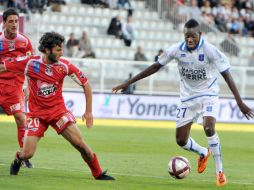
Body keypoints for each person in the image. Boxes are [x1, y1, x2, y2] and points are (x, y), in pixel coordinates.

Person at [112, 19, 254, 186]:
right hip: (187, 99)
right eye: (187, 36)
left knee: (209, 128)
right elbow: (155, 66)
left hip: (209, 94)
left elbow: (226, 74)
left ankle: (220, 172)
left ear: (200, 34)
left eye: (193, 36)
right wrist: (128, 82)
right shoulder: (176, 50)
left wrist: (239, 101)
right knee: (181, 140)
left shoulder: (210, 50)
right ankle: (203, 152)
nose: (189, 39)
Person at [0, 32, 115, 180]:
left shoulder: (65, 66)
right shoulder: (30, 63)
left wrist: (89, 111)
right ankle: (18, 158)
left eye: (62, 49)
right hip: (36, 115)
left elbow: (86, 85)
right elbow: (3, 67)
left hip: (58, 112)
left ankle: (98, 173)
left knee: (80, 144)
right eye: (58, 50)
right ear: (47, 50)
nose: (62, 53)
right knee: (27, 154)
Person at [0, 8, 34, 168]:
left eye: (16, 21)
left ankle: (24, 154)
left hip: (14, 87)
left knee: (21, 119)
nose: (14, 24)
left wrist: (28, 85)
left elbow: (31, 65)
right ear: (4, 22)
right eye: (11, 21)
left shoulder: (25, 42)